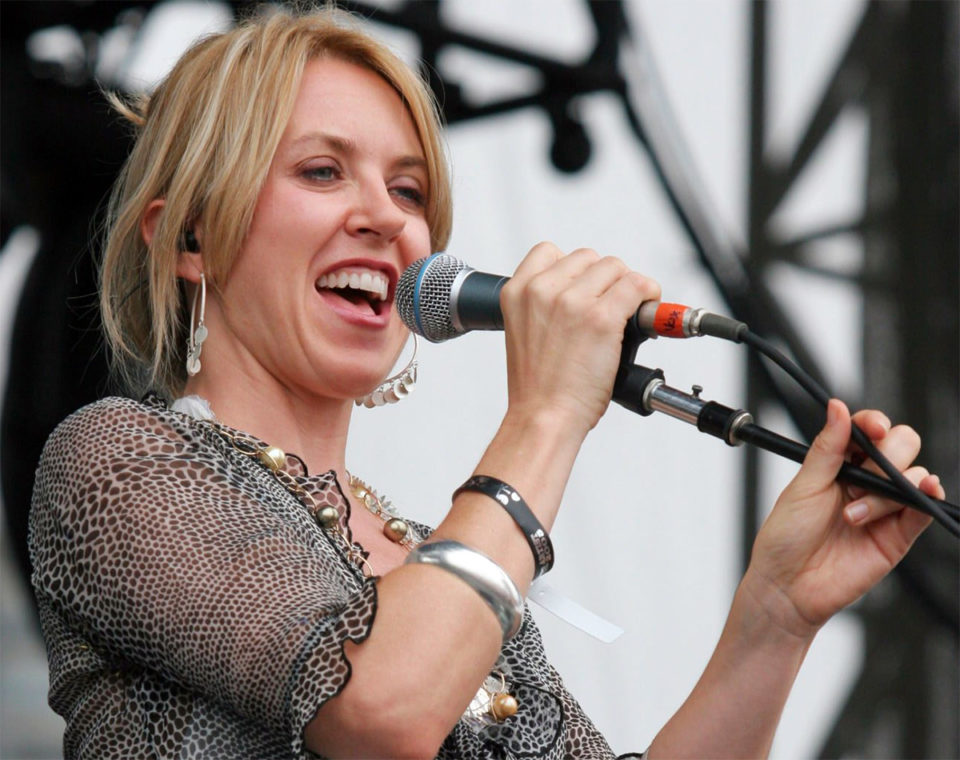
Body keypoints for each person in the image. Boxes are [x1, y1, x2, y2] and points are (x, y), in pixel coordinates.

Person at [28, 6, 944, 759]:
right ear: (189, 238)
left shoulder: (446, 561)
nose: (385, 218)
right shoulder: (115, 461)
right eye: (321, 170)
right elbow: (379, 711)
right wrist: (546, 411)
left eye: (411, 191)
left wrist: (773, 618)